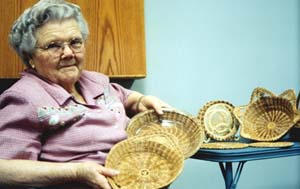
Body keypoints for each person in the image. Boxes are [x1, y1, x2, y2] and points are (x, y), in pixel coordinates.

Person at [0, 0, 170, 188]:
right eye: (53, 46)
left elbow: (121, 95)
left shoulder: (94, 80)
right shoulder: (25, 97)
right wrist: (76, 172)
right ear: (30, 57)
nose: (68, 53)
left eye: (75, 42)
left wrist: (140, 101)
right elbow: (4, 170)